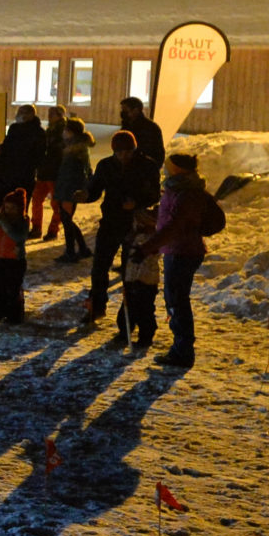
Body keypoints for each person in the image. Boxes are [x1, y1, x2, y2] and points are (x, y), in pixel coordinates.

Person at [133, 148, 222, 366]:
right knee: (175, 299)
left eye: (168, 167)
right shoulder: (177, 189)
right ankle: (180, 347)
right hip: (176, 250)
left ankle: (182, 351)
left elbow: (174, 227)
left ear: (177, 170)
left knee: (177, 301)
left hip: (184, 252)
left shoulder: (187, 193)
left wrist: (146, 248)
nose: (164, 170)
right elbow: (168, 219)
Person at [81, 128, 159, 322]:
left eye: (128, 151)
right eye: (120, 152)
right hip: (110, 220)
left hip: (135, 224)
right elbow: (95, 189)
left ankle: (128, 316)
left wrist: (137, 202)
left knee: (129, 270)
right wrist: (85, 196)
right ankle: (97, 306)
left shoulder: (147, 166)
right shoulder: (106, 165)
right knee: (100, 266)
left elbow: (155, 194)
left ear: (134, 149)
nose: (124, 156)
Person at [113, 212, 162, 352]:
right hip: (132, 278)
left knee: (144, 310)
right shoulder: (133, 237)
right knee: (128, 307)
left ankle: (145, 337)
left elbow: (147, 260)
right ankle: (125, 330)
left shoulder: (150, 239)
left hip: (144, 280)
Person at [0, 104, 45, 212]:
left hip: (23, 176)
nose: (18, 115)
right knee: (4, 205)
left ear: (30, 115)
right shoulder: (14, 129)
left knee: (18, 208)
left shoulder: (38, 133)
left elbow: (38, 156)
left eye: (22, 113)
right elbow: (6, 149)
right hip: (7, 175)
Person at [50, 119, 93, 262]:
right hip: (67, 188)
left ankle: (71, 252)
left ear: (71, 132)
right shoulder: (74, 148)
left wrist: (71, 190)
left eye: (66, 130)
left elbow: (76, 173)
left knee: (66, 219)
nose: (63, 133)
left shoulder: (76, 151)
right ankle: (82, 248)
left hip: (69, 190)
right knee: (66, 218)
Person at [0, 188, 30, 323]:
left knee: (13, 287)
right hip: (0, 258)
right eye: (7, 207)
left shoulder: (22, 221)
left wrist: (3, 223)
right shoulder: (2, 219)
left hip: (15, 260)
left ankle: (15, 314)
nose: (9, 211)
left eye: (12, 208)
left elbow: (17, 236)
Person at [31, 106, 67, 236]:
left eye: (53, 114)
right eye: (49, 113)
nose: (50, 116)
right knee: (36, 200)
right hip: (45, 171)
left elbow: (58, 152)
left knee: (56, 204)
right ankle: (36, 227)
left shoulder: (63, 131)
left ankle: (52, 230)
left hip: (55, 172)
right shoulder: (49, 131)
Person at [117, 94, 166, 172]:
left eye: (125, 110)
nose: (122, 113)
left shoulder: (151, 128)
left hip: (144, 168)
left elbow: (155, 153)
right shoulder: (126, 126)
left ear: (136, 110)